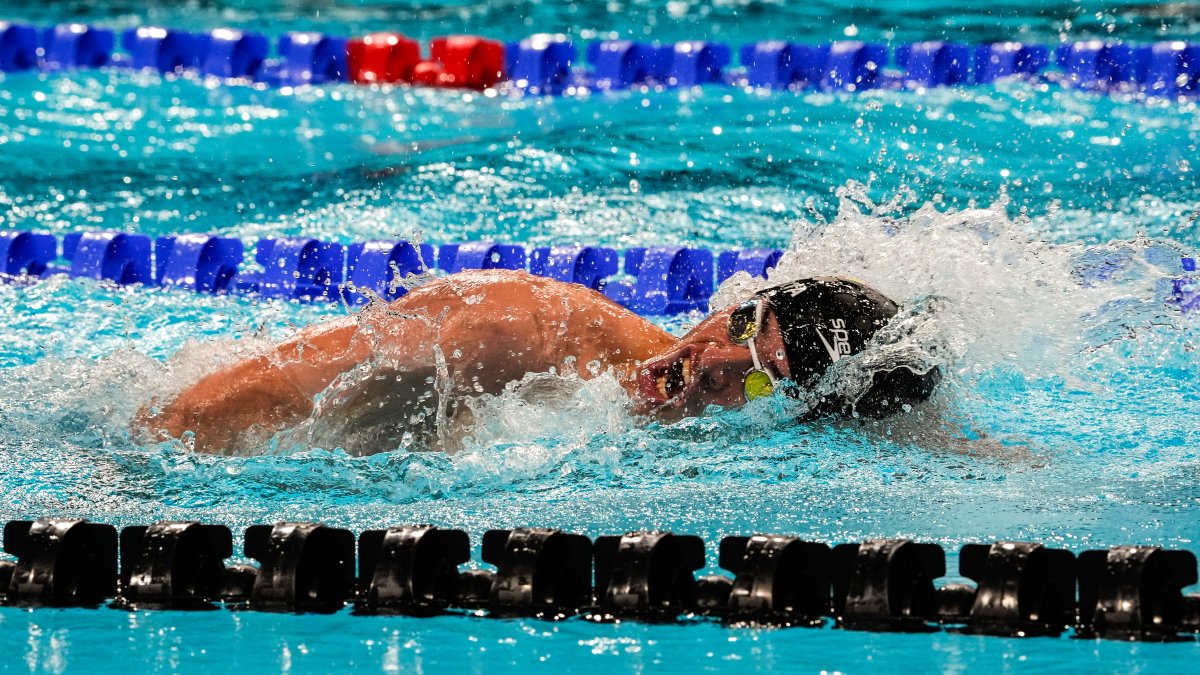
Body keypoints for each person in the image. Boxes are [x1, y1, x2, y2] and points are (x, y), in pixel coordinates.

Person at [137, 270, 939, 454]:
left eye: (762, 377)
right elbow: (230, 399)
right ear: (737, 300)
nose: (713, 363)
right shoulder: (521, 335)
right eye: (741, 322)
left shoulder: (695, 435)